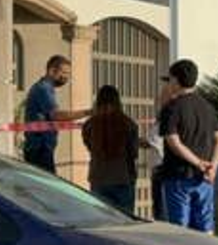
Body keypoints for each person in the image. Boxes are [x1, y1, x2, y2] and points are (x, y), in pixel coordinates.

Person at [157, 59, 218, 234]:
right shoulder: (207, 107)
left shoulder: (171, 108)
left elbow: (173, 141)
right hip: (205, 179)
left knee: (180, 231)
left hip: (178, 177)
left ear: (175, 80)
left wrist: (198, 162)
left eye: (170, 79)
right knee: (206, 229)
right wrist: (213, 166)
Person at [23, 55, 92, 173]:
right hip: (39, 149)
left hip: (42, 149)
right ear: (52, 71)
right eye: (64, 73)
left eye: (68, 74)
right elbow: (56, 115)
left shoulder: (46, 89)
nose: (66, 77)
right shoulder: (43, 89)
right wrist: (88, 112)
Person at [83, 85, 140, 215]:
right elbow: (133, 153)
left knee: (102, 219)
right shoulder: (128, 123)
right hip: (122, 177)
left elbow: (89, 146)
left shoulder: (89, 125)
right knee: (125, 219)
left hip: (98, 177)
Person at [147, 81, 178, 221]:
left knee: (163, 214)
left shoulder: (168, 116)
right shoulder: (162, 117)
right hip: (160, 169)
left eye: (162, 95)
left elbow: (154, 141)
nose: (158, 99)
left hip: (163, 169)